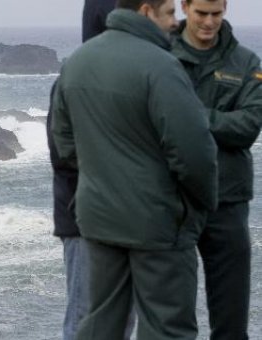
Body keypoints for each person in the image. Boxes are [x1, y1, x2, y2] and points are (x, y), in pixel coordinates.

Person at [51, 0, 219, 338]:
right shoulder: (162, 67)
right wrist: (199, 206)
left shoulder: (77, 64)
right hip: (156, 222)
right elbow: (194, 152)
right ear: (146, 11)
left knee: (100, 323)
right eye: (170, 12)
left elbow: (64, 143)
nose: (176, 22)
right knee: (167, 327)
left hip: (98, 220)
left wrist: (101, 176)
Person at [171, 1, 262, 338]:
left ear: (225, 9)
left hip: (228, 201)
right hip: (173, 201)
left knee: (231, 323)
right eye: (201, 14)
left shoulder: (246, 62)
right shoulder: (162, 54)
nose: (209, 22)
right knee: (172, 320)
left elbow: (248, 126)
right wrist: (218, 120)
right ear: (185, 6)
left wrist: (192, 118)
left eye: (216, 14)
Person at [47, 0, 132, 339]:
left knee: (123, 321)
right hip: (84, 221)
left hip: (127, 219)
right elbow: (65, 155)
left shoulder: (131, 80)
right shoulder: (75, 80)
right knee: (85, 319)